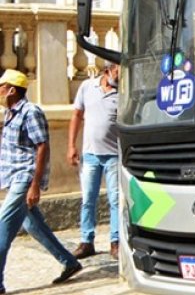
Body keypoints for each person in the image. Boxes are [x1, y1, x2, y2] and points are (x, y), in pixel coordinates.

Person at [0, 69, 83, 292]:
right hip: (12, 176)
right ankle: (69, 262)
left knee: (2, 227)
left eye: (1, 87)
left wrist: (35, 184)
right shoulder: (9, 113)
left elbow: (42, 147)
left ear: (11, 90)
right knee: (34, 226)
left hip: (25, 178)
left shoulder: (30, 112)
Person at [67, 61, 120, 259]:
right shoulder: (87, 87)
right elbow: (77, 115)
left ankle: (116, 242)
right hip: (90, 154)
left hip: (114, 154)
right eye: (118, 70)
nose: (121, 74)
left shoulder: (123, 93)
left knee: (115, 200)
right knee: (88, 199)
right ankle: (86, 240)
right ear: (109, 69)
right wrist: (71, 145)